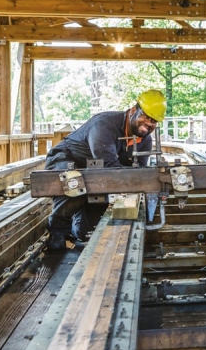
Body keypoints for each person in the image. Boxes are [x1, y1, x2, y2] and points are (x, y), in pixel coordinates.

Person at [44, 89, 167, 250]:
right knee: (74, 183)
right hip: (67, 160)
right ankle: (57, 231)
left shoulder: (144, 140)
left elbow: (139, 174)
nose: (149, 124)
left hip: (99, 175)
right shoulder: (104, 124)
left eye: (154, 121)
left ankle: (78, 219)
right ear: (133, 111)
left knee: (85, 231)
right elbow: (109, 168)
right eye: (146, 116)